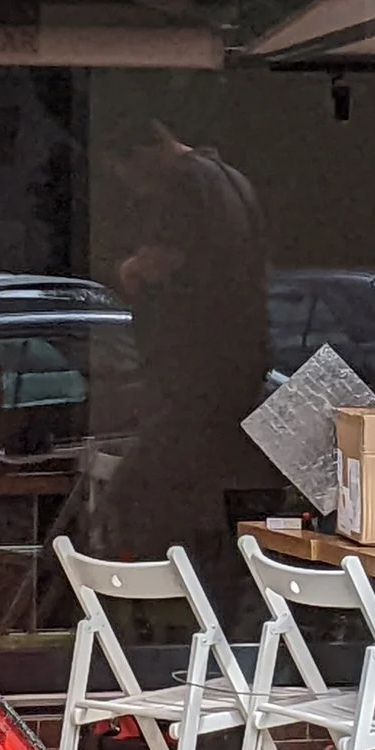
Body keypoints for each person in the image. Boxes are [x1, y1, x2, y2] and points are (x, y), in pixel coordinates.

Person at [95, 117, 279, 616]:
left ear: (144, 153)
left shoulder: (183, 183)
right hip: (234, 371)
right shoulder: (230, 179)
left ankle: (158, 613)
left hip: (195, 378)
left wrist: (126, 270)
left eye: (128, 176)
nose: (135, 190)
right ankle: (211, 606)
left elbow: (161, 259)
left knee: (140, 495)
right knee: (201, 496)